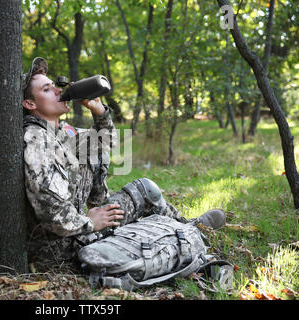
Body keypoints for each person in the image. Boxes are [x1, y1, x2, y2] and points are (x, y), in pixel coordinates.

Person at [22, 57, 225, 267]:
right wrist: (90, 222)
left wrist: (98, 110)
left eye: (55, 86)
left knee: (99, 157)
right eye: (47, 89)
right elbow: (50, 211)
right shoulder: (36, 139)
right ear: (30, 103)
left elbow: (105, 142)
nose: (57, 91)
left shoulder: (57, 133)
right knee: (144, 190)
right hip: (59, 248)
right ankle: (193, 230)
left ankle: (187, 228)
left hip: (72, 233)